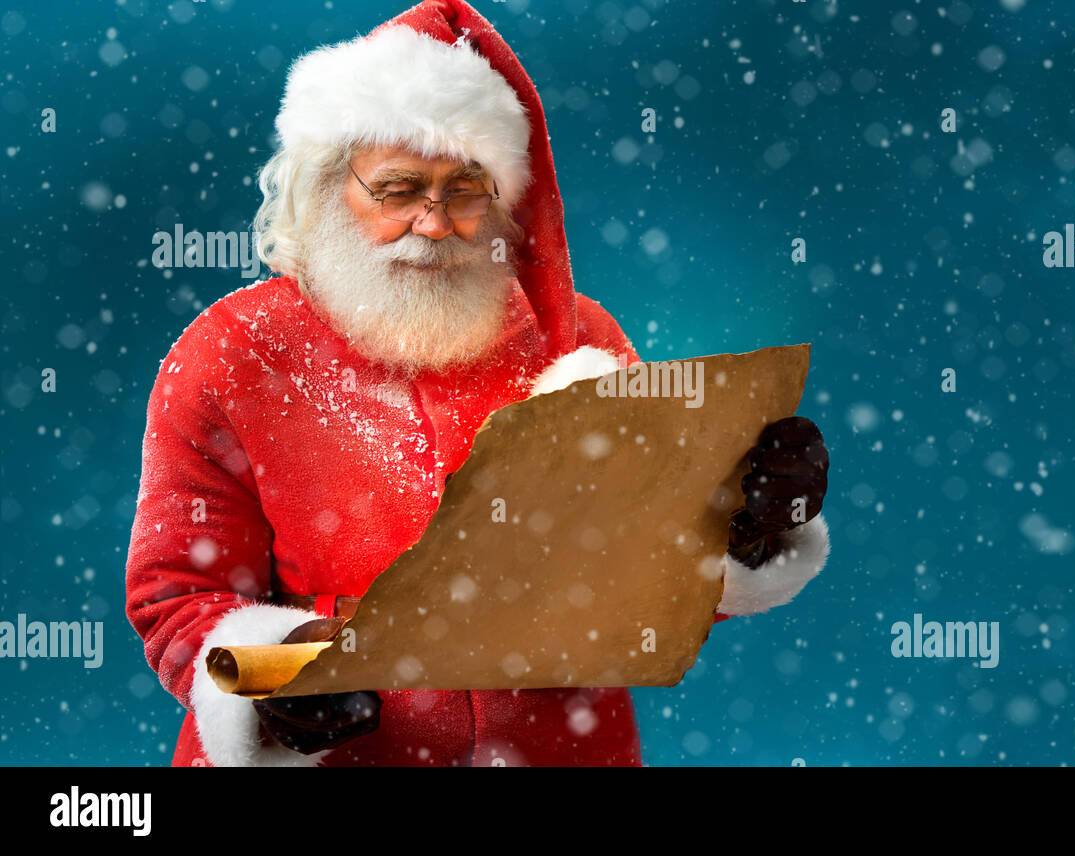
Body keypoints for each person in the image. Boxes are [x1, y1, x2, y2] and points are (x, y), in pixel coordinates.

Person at [124, 0, 831, 767]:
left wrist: (746, 523)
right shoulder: (231, 352)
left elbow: (648, 586)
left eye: (465, 191)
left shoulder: (580, 341)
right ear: (324, 187)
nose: (433, 222)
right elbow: (176, 597)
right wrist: (279, 672)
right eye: (397, 189)